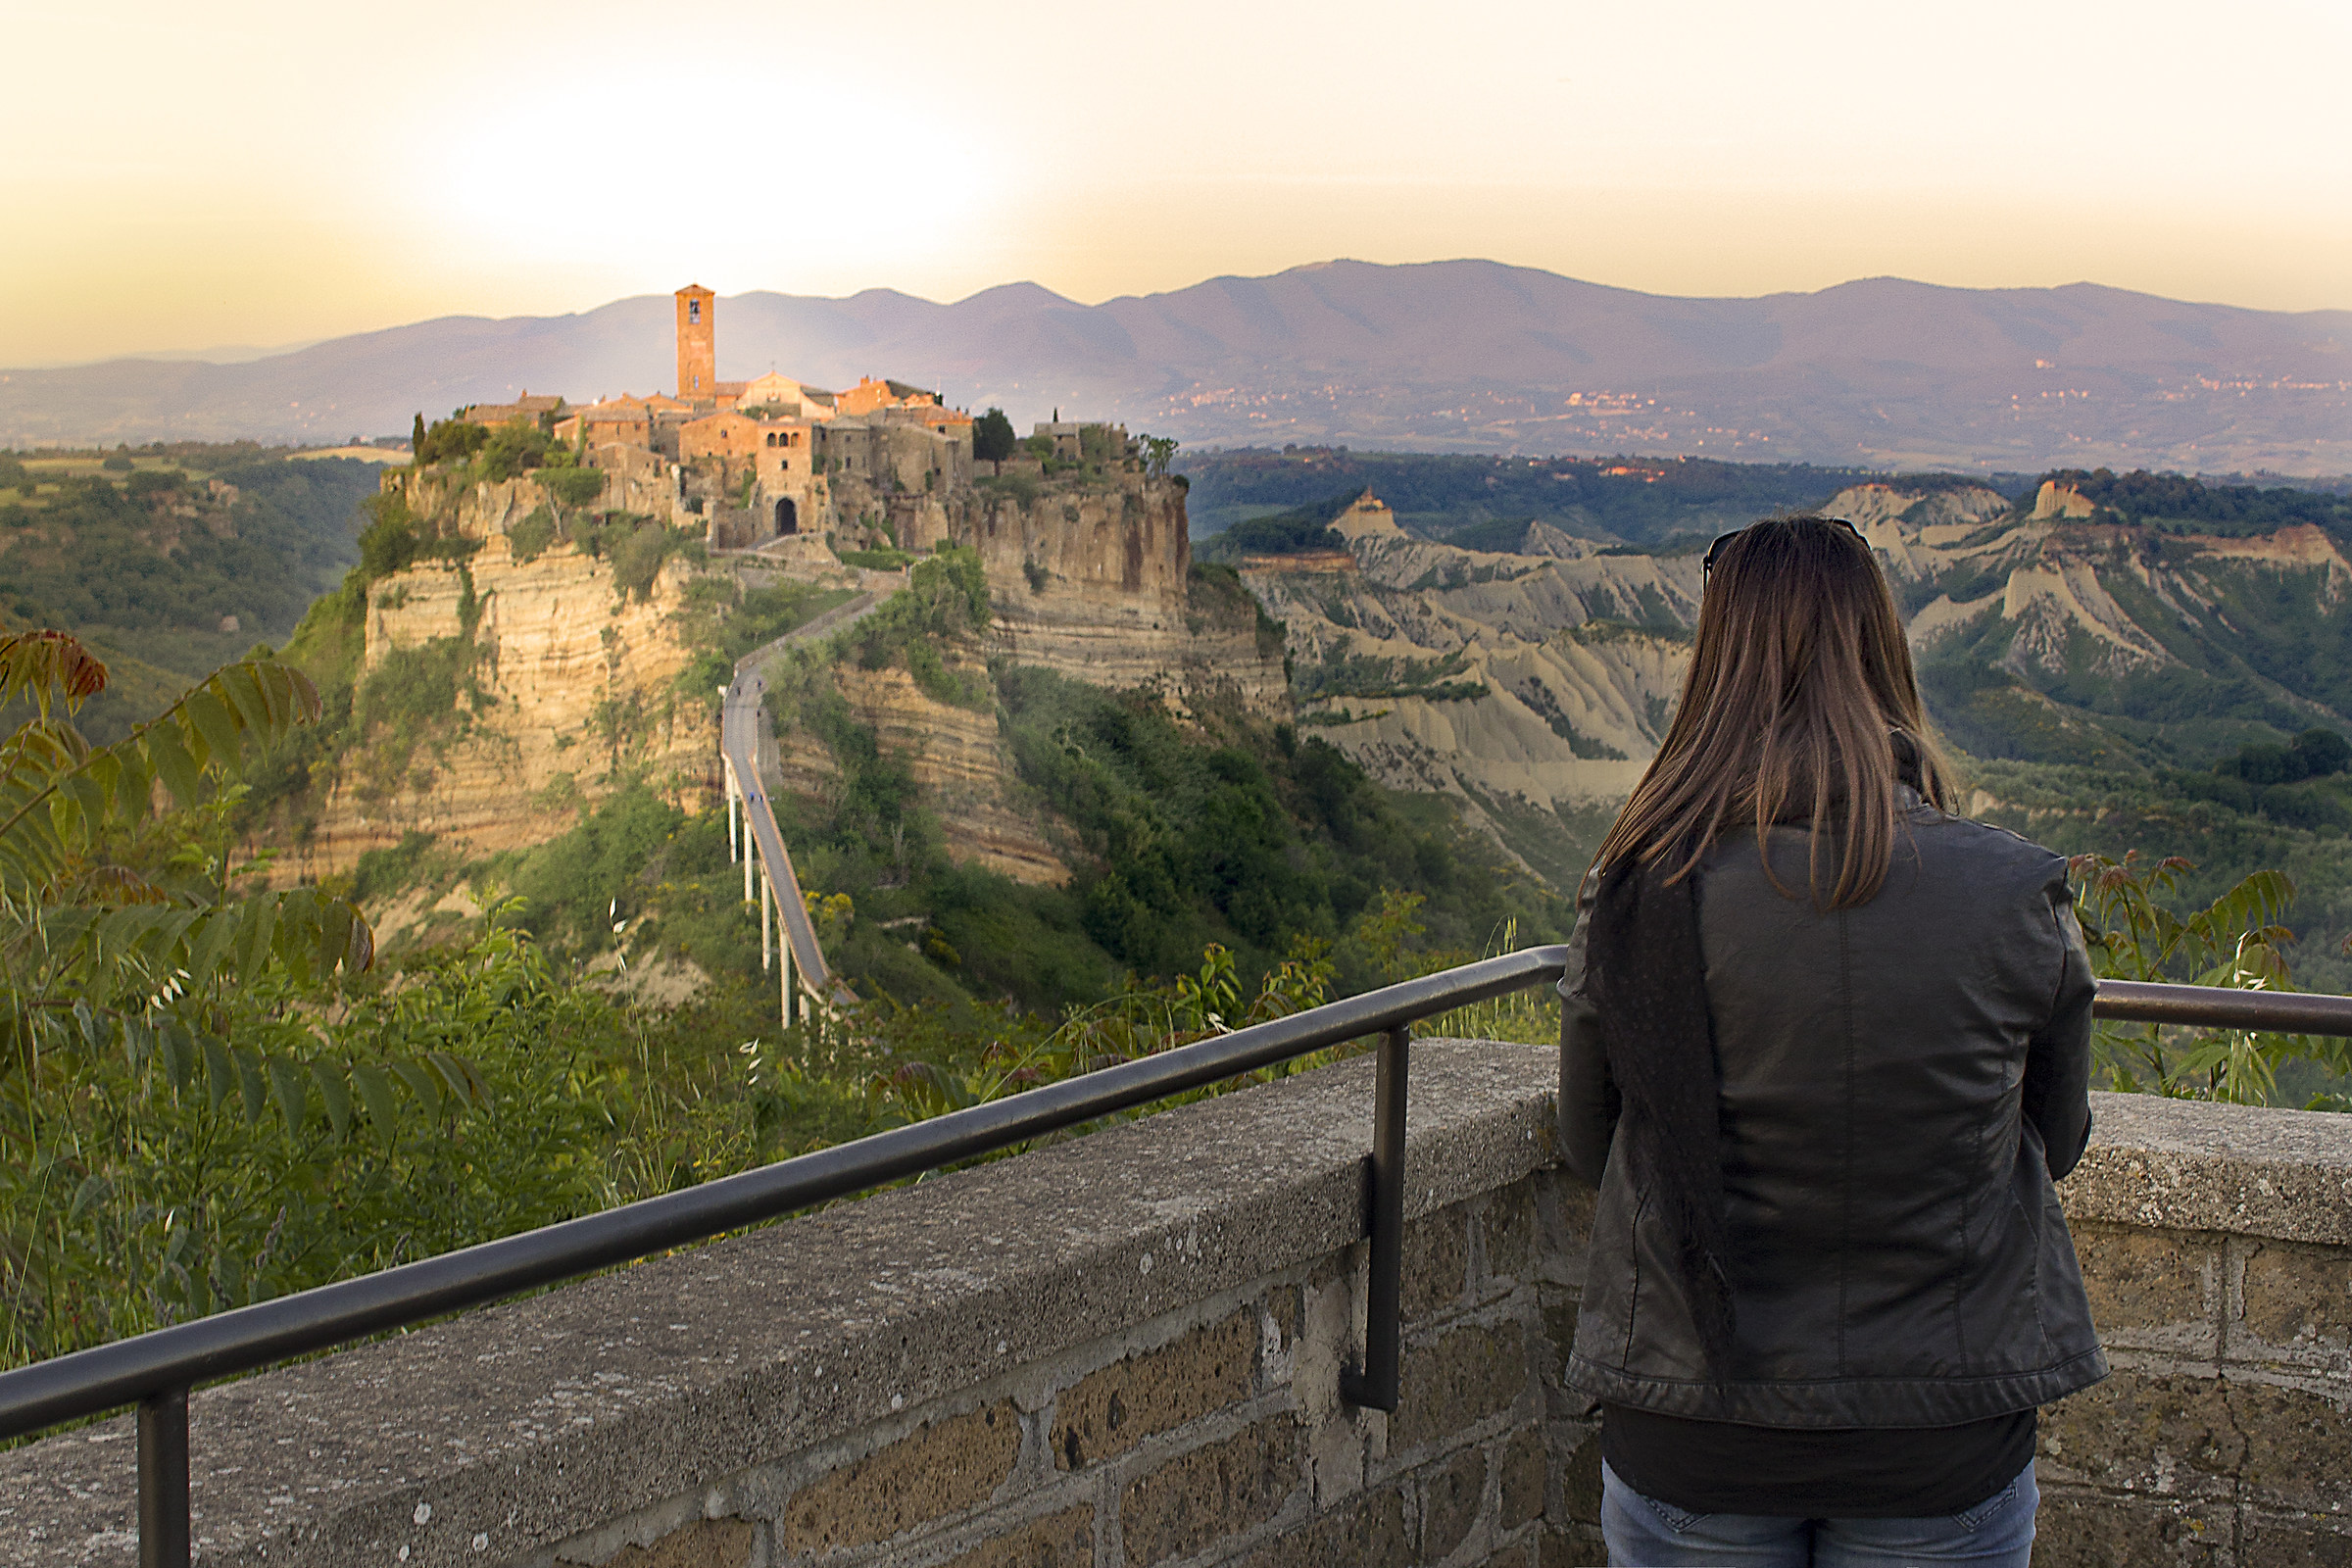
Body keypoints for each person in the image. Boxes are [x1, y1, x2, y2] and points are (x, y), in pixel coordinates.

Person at [1556, 515, 2103, 1567]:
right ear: (1882, 655)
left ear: (1715, 671)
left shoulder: (1638, 892)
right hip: (1937, 1441)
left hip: (1698, 1432)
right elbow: (2058, 1136)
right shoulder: (2011, 890)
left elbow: (1591, 1144)